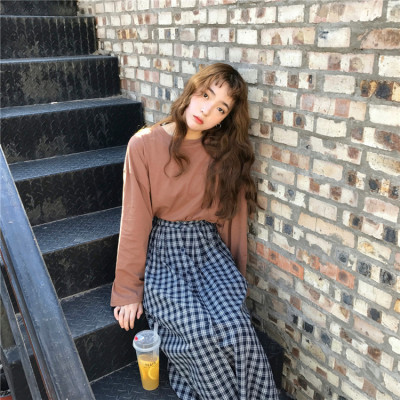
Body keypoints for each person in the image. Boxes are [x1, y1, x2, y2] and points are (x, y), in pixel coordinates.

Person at [111, 63, 279, 400]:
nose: (207, 110)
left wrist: (235, 282)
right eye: (205, 95)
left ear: (225, 118)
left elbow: (232, 222)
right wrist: (128, 289)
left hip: (208, 251)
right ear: (192, 91)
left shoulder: (224, 154)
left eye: (221, 108)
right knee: (199, 333)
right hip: (165, 252)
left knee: (238, 330)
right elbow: (134, 220)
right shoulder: (144, 145)